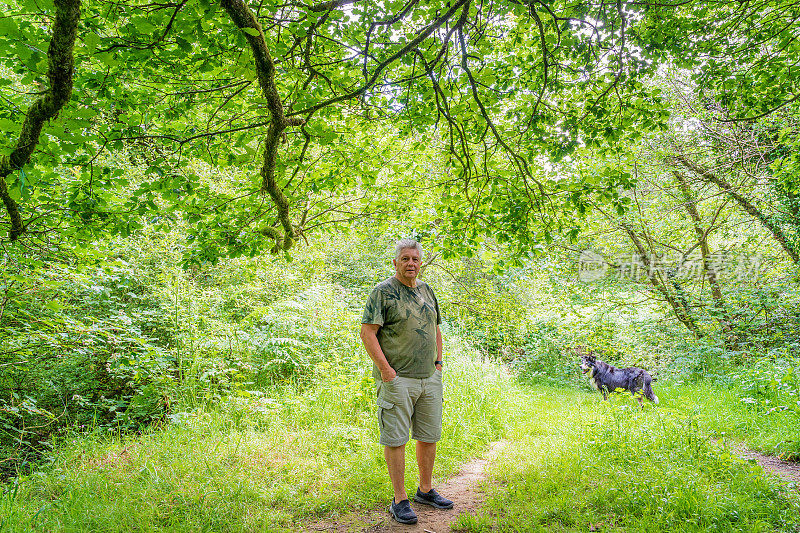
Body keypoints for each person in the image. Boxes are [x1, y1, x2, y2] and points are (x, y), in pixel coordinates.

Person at [360, 238, 453, 525]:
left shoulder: (427, 290)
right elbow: (367, 332)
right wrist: (386, 371)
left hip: (429, 378)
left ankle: (425, 491)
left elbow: (435, 327)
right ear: (396, 262)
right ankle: (399, 499)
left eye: (415, 259)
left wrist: (438, 363)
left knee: (428, 436)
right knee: (396, 439)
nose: (410, 263)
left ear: (420, 263)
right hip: (397, 380)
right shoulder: (383, 292)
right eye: (405, 259)